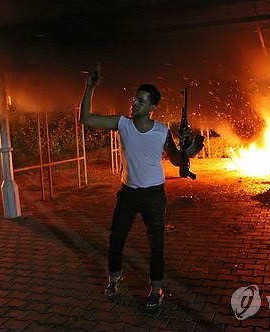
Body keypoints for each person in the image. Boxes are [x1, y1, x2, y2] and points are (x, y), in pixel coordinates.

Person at [80, 69, 203, 309]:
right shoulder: (122, 123)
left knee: (156, 245)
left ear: (151, 107)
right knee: (116, 240)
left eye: (140, 101)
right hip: (128, 193)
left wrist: (191, 147)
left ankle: (156, 290)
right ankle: (114, 280)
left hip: (154, 195)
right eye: (134, 99)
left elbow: (177, 160)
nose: (134, 103)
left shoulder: (161, 131)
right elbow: (87, 119)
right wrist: (89, 87)